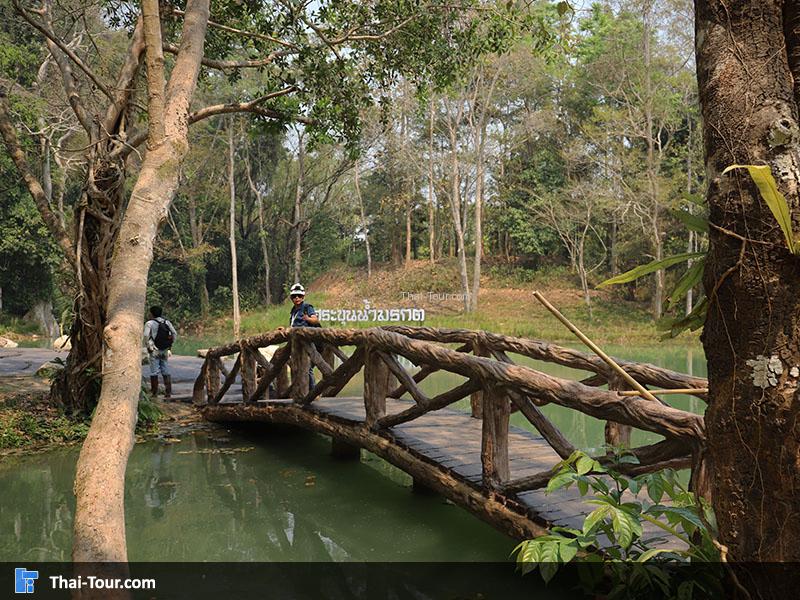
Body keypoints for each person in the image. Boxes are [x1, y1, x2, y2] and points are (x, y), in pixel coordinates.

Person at [288, 283, 319, 388]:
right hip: (296, 343)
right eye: (294, 296)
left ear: (303, 297)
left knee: (308, 367)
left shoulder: (307, 307)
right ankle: (300, 391)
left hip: (307, 342)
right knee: (297, 366)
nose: (297, 298)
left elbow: (315, 320)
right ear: (291, 298)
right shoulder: (293, 311)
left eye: (299, 296)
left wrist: (308, 319)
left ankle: (313, 391)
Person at [143, 306, 178, 399]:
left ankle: (154, 393)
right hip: (164, 350)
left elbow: (146, 335)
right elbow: (174, 333)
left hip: (154, 350)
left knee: (154, 372)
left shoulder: (149, 323)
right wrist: (170, 344)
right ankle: (168, 393)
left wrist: (148, 346)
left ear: (151, 313)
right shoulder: (166, 322)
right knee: (165, 369)